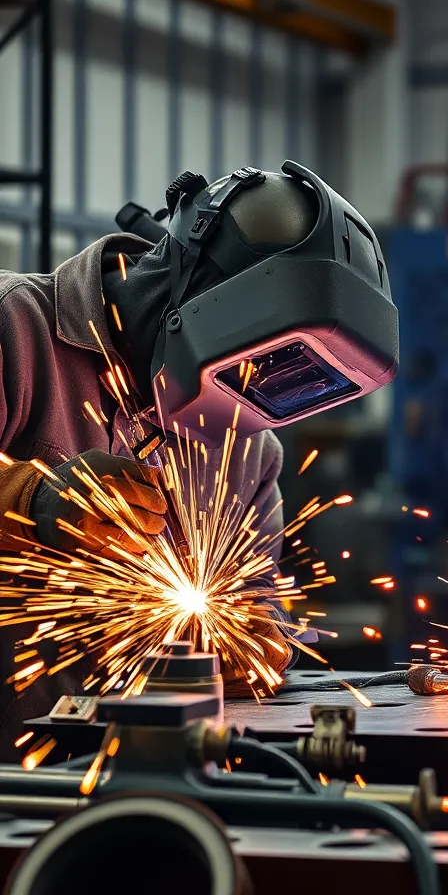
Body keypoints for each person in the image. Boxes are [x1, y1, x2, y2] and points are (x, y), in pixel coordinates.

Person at [0, 162, 398, 740]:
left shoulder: (249, 451)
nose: (250, 404)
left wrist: (253, 648)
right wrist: (31, 505)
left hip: (139, 784)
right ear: (204, 299)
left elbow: (259, 611)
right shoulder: (14, 331)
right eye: (258, 363)